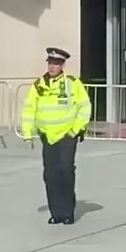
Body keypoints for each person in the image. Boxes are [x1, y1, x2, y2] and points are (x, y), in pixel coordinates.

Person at [21, 47, 91, 225]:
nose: (53, 67)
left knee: (66, 171)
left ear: (63, 65)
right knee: (50, 175)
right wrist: (27, 133)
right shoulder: (39, 85)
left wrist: (75, 130)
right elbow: (29, 110)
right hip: (48, 136)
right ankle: (56, 212)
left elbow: (84, 107)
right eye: (50, 63)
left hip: (67, 135)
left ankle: (68, 212)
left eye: (57, 64)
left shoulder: (72, 83)